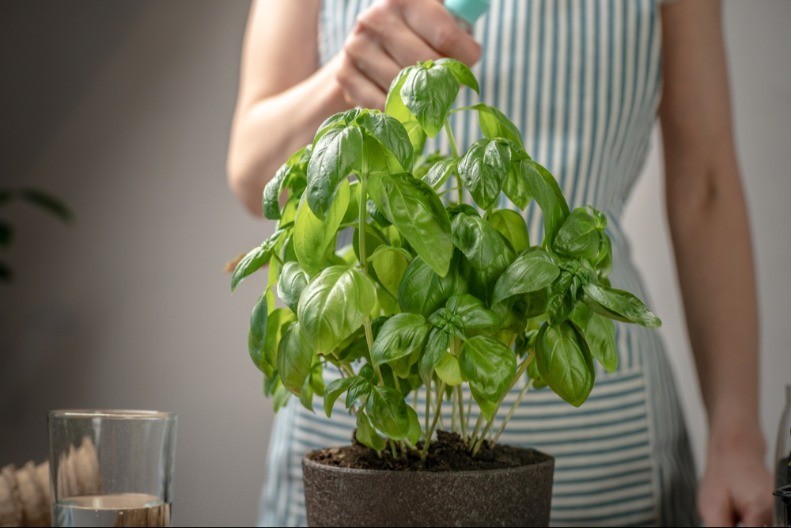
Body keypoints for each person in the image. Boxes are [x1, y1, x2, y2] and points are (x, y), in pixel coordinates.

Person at [227, 0, 772, 525]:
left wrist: (738, 440)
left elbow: (707, 188)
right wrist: (343, 80)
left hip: (603, 453)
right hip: (358, 460)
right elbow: (254, 174)